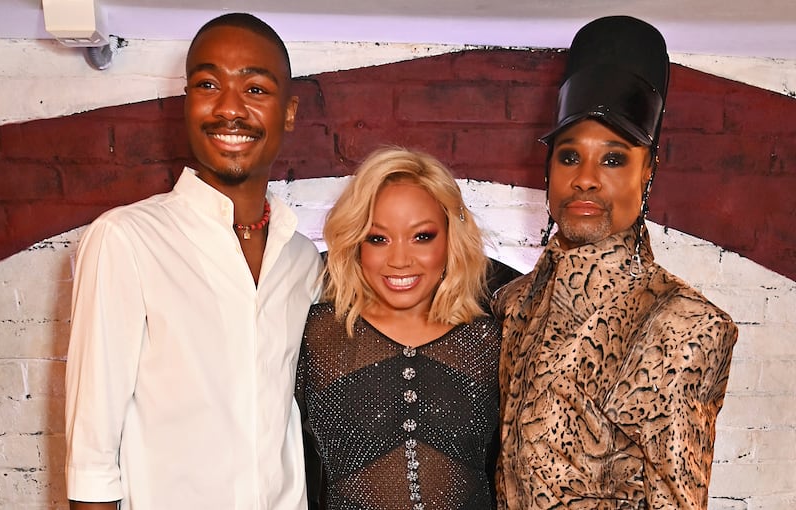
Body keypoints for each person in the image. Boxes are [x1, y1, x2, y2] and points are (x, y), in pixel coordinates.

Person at [64, 13, 322, 510]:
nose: (230, 109)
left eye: (256, 89)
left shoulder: (301, 258)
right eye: (208, 84)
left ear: (288, 113)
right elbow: (91, 459)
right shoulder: (125, 241)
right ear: (186, 102)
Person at [492, 16, 738, 509]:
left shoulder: (684, 325)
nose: (585, 178)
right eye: (568, 157)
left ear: (649, 168)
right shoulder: (511, 304)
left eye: (612, 158)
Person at [297, 147, 501, 510]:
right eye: (378, 238)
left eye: (422, 236)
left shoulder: (489, 341)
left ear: (450, 238)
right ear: (356, 244)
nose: (400, 260)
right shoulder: (317, 335)